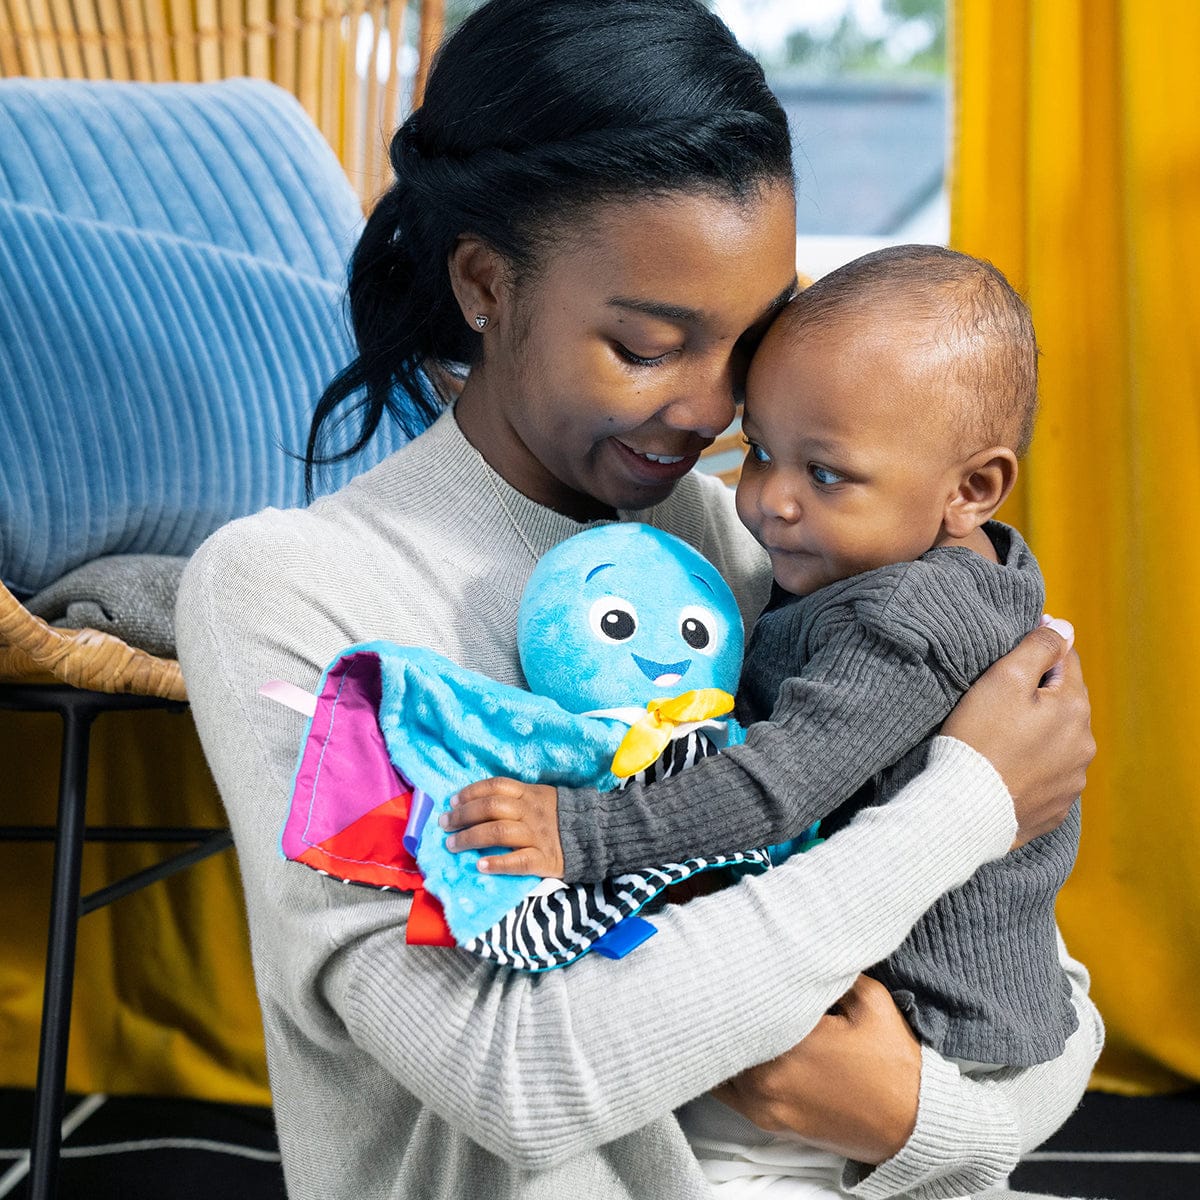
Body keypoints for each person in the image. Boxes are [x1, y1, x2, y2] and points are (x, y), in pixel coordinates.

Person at [173, 3, 1100, 1198]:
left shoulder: (755, 541)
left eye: (748, 347)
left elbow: (1051, 1008)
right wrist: (968, 805)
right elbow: (517, 1079)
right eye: (649, 346)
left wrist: (919, 1120)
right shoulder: (291, 593)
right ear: (485, 283)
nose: (712, 413)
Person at [444, 243, 1083, 1196]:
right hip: (941, 991)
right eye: (762, 452)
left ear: (972, 490)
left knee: (734, 1167)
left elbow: (780, 786)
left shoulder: (904, 620)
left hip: (907, 1014)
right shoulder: (918, 559)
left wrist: (580, 833)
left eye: (825, 473)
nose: (770, 502)